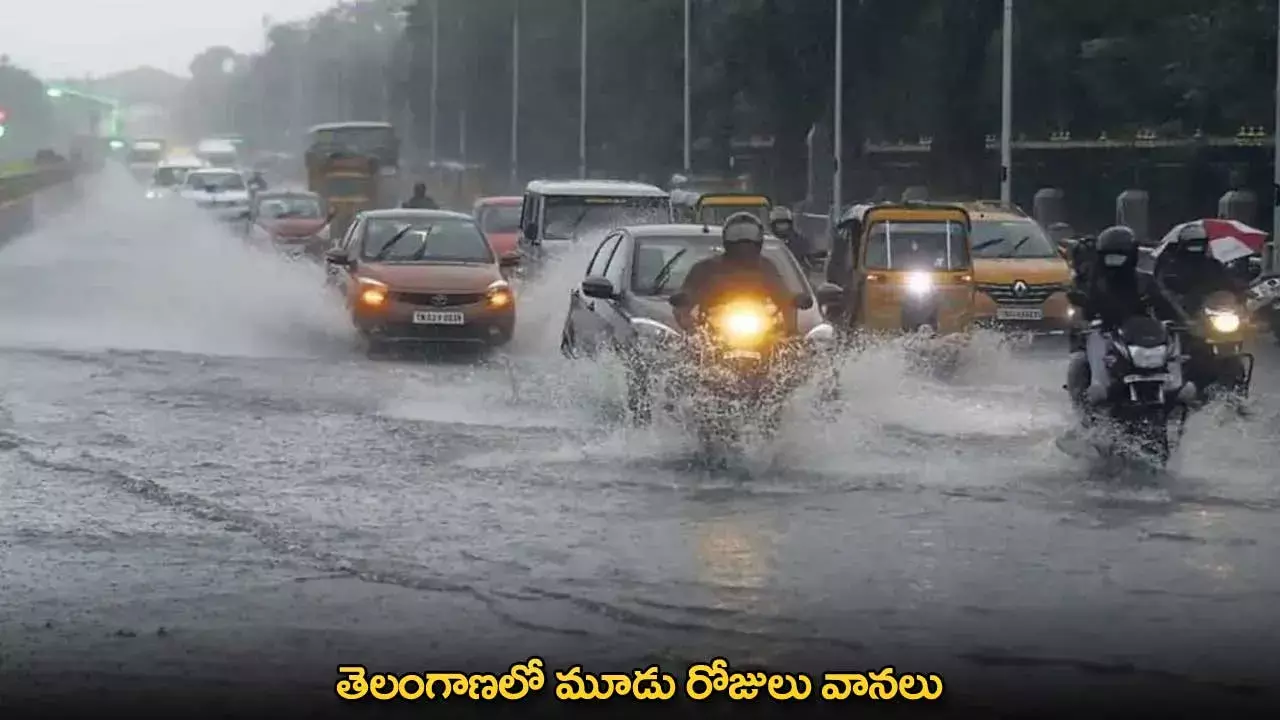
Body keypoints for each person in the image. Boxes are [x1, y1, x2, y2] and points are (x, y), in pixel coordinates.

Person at [1066, 225, 1187, 407]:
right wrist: (1083, 320)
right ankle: (1093, 394)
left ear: (1131, 255)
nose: (1115, 262)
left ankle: (1175, 386)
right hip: (1108, 335)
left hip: (1140, 338)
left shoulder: (1145, 281)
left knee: (1172, 341)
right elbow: (1083, 308)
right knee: (1080, 359)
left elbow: (1165, 304)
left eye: (1120, 256)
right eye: (1110, 257)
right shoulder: (1095, 282)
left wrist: (1183, 321)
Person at [675, 212, 797, 335]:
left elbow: (782, 293)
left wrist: (795, 301)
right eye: (736, 237)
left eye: (749, 238)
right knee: (690, 349)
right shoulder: (705, 268)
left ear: (759, 240)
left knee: (789, 349)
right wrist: (685, 302)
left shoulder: (767, 267)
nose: (743, 244)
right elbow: (687, 292)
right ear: (726, 239)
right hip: (713, 332)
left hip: (761, 330)